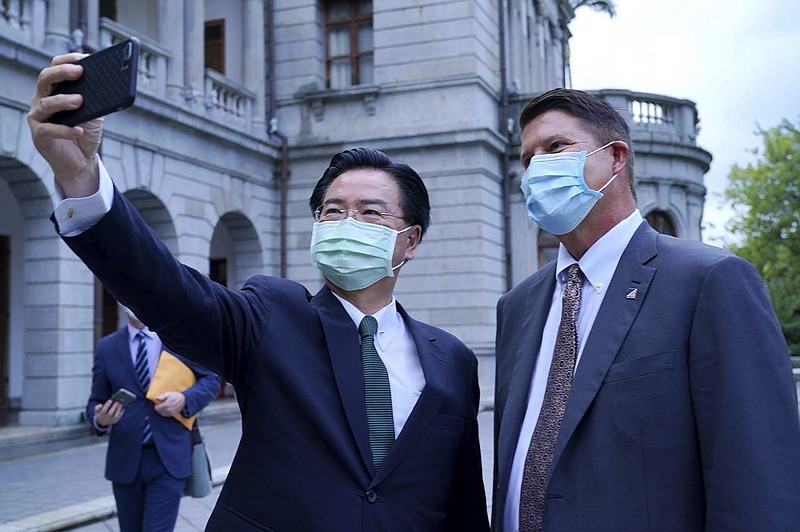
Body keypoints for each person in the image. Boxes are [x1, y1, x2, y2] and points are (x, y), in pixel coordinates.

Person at [29, 54, 490, 531]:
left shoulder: (452, 360)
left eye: (370, 213)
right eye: (332, 211)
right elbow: (166, 289)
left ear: (410, 241)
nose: (346, 223)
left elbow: (462, 502)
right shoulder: (271, 316)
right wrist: (82, 178)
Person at [492, 88, 800, 531]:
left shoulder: (710, 282)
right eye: (528, 159)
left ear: (616, 158)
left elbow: (759, 480)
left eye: (556, 148)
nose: (538, 168)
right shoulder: (517, 306)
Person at [88, 304, 220, 532]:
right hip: (125, 460)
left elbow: (212, 380)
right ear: (119, 302)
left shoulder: (178, 339)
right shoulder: (107, 347)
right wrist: (101, 419)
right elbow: (94, 401)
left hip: (168, 457)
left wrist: (185, 399)